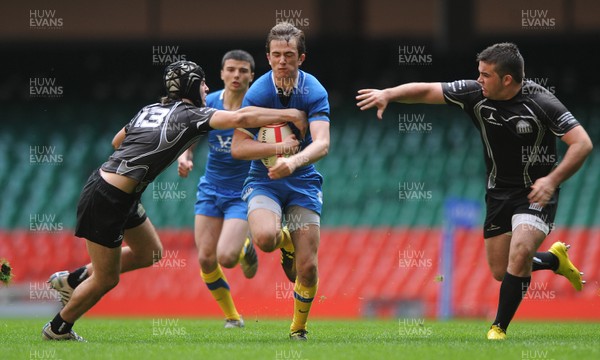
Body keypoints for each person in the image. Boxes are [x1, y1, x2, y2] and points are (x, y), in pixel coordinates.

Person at [42, 60, 307, 341]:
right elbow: (240, 119)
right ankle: (58, 328)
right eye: (202, 82)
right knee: (107, 278)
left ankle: (73, 280)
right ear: (192, 86)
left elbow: (117, 141)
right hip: (108, 198)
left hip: (117, 191)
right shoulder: (191, 115)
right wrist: (290, 113)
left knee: (151, 253)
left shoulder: (150, 109)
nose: (207, 87)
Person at [356, 42, 592, 340]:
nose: (478, 79)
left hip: (536, 192)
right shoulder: (475, 94)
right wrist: (388, 94)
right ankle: (554, 261)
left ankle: (498, 328)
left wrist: (551, 180)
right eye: (478, 73)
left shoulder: (542, 102)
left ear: (507, 79)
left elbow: (582, 143)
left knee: (519, 253)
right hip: (497, 193)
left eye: (485, 75)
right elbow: (428, 90)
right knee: (500, 270)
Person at [230, 22, 330, 341]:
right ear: (268, 57)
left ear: (302, 58)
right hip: (264, 180)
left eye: (289, 54)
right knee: (264, 239)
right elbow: (238, 147)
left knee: (308, 268)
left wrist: (294, 161)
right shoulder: (258, 92)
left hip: (302, 182)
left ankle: (297, 329)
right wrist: (278, 150)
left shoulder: (314, 91)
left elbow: (322, 143)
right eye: (276, 55)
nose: (282, 60)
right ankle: (284, 240)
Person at [176, 50, 257, 328]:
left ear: (252, 76)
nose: (237, 75)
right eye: (231, 70)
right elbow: (192, 134)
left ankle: (246, 246)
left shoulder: (257, 107)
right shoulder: (208, 102)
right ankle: (233, 318)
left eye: (243, 71)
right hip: (210, 189)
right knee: (206, 259)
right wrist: (185, 156)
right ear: (222, 74)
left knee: (226, 257)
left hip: (243, 192)